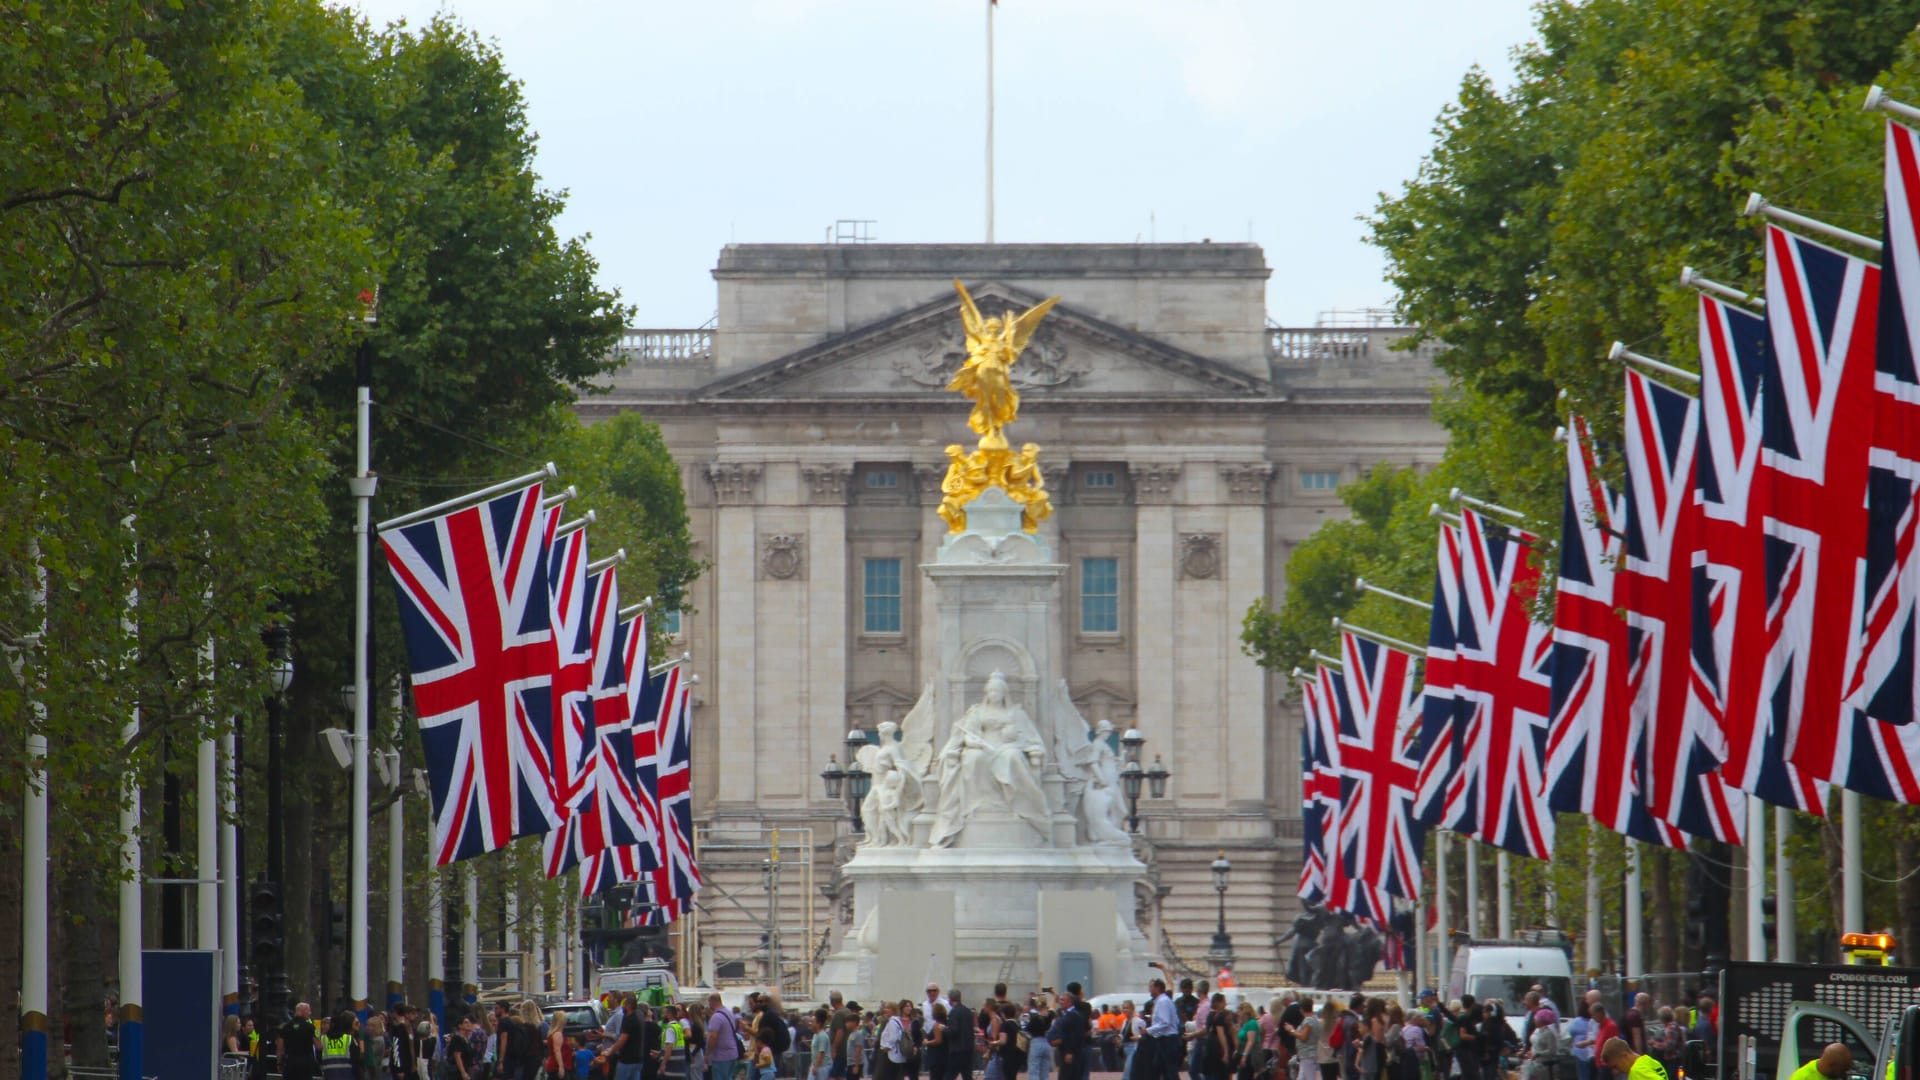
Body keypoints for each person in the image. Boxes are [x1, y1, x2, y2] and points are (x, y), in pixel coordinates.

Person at [1146, 974, 1183, 1080]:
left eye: (1151, 987)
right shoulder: (1162, 1001)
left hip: (1167, 1040)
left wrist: (1148, 1030)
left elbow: (1165, 1022)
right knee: (1160, 1069)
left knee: (1169, 1070)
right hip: (1163, 1040)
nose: (1149, 990)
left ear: (1157, 988)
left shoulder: (1163, 1001)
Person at [283, 1002, 323, 1080]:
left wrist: (279, 1062)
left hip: (290, 1061)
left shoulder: (286, 1026)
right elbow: (319, 1046)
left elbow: (280, 1045)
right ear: (302, 1011)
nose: (310, 1013)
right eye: (308, 1011)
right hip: (306, 1063)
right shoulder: (311, 1027)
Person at [1599, 1038, 1668, 1080]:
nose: (1615, 1071)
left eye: (1615, 1066)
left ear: (1624, 1055)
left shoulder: (1637, 1071)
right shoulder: (1649, 1060)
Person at [322, 1012, 360, 1080]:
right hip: (347, 1075)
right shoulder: (349, 1039)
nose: (359, 1025)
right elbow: (356, 1062)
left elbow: (318, 1057)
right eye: (356, 1023)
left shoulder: (323, 1039)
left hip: (329, 1075)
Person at [947, 993, 976, 1080]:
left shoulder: (953, 1012)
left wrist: (945, 1030)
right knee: (967, 1076)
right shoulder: (968, 1011)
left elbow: (954, 1031)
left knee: (949, 1076)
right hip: (968, 1049)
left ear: (950, 1000)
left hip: (957, 1050)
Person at [1569, 1004, 1596, 1080]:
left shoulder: (1577, 1021)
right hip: (1593, 1053)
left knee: (1583, 1076)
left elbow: (1571, 1032)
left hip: (1581, 1053)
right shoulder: (1596, 1021)